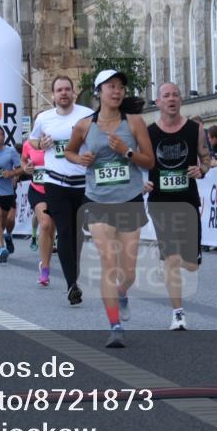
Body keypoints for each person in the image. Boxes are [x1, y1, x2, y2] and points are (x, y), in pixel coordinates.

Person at [66, 70, 154, 348]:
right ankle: (114, 325)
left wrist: (126, 151)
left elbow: (150, 162)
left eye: (121, 88)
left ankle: (123, 292)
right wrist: (81, 159)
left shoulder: (135, 122)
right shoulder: (83, 125)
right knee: (108, 262)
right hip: (97, 200)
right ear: (98, 92)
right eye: (111, 86)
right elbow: (68, 152)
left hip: (128, 198)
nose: (117, 92)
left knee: (128, 271)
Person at [144, 82, 209, 331]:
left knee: (191, 264)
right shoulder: (149, 133)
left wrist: (200, 170)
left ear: (181, 100)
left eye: (175, 95)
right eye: (166, 95)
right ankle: (178, 313)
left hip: (187, 200)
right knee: (172, 258)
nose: (171, 99)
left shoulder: (195, 129)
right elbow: (140, 164)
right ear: (158, 102)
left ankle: (171, 264)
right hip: (160, 202)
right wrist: (142, 183)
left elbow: (205, 158)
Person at [28, 75, 95, 305]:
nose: (64, 93)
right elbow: (32, 140)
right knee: (64, 231)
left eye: (67, 89)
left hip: (82, 182)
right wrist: (41, 145)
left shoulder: (86, 114)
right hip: (55, 182)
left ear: (73, 92)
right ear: (53, 94)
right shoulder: (45, 118)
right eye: (59, 90)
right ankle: (71, 285)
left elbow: (98, 139)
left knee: (78, 234)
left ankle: (73, 272)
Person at [21, 132, 55, 286]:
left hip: (57, 189)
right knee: (45, 224)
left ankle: (45, 262)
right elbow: (23, 160)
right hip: (37, 189)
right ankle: (45, 269)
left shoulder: (58, 140)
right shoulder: (29, 143)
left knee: (52, 229)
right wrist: (26, 168)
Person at [0, 126, 22, 264]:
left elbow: (21, 168)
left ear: (3, 137)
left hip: (7, 191)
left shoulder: (10, 151)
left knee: (8, 220)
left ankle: (7, 236)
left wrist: (11, 174)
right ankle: (1, 248)